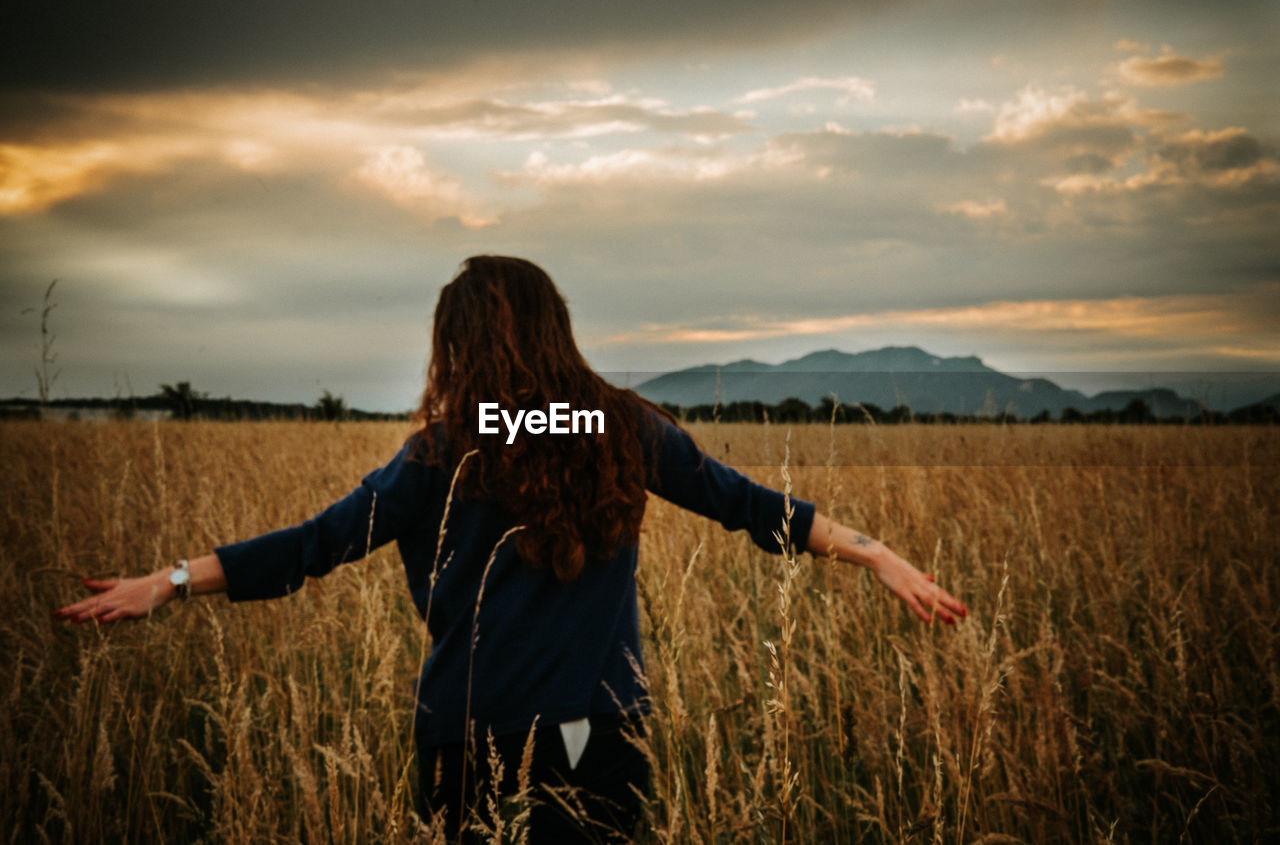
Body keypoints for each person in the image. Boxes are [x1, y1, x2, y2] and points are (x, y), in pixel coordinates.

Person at [53, 255, 968, 843]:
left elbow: (313, 546)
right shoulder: (621, 426)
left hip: (468, 742)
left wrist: (171, 580)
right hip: (600, 737)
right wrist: (875, 553)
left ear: (460, 346)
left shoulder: (444, 451)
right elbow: (754, 508)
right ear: (552, 329)